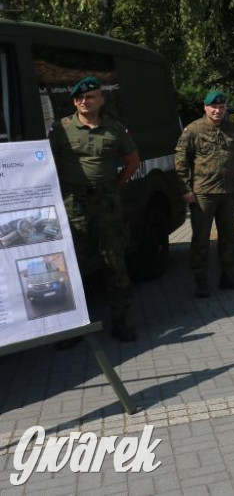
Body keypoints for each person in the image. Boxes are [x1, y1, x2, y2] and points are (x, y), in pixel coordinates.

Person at [49, 76, 141, 341]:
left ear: (101, 99)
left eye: (90, 97)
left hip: (106, 203)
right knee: (69, 264)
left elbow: (133, 162)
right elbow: (47, 163)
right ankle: (71, 327)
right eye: (79, 97)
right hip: (72, 205)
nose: (84, 101)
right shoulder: (60, 129)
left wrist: (113, 186)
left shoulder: (115, 129)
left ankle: (121, 319)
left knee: (113, 260)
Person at [174, 90, 234, 298]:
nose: (218, 111)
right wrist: (185, 190)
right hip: (203, 195)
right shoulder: (194, 130)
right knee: (201, 238)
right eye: (213, 107)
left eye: (221, 107)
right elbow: (180, 162)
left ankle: (228, 275)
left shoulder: (232, 130)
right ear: (205, 108)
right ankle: (201, 279)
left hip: (227, 193)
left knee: (229, 236)